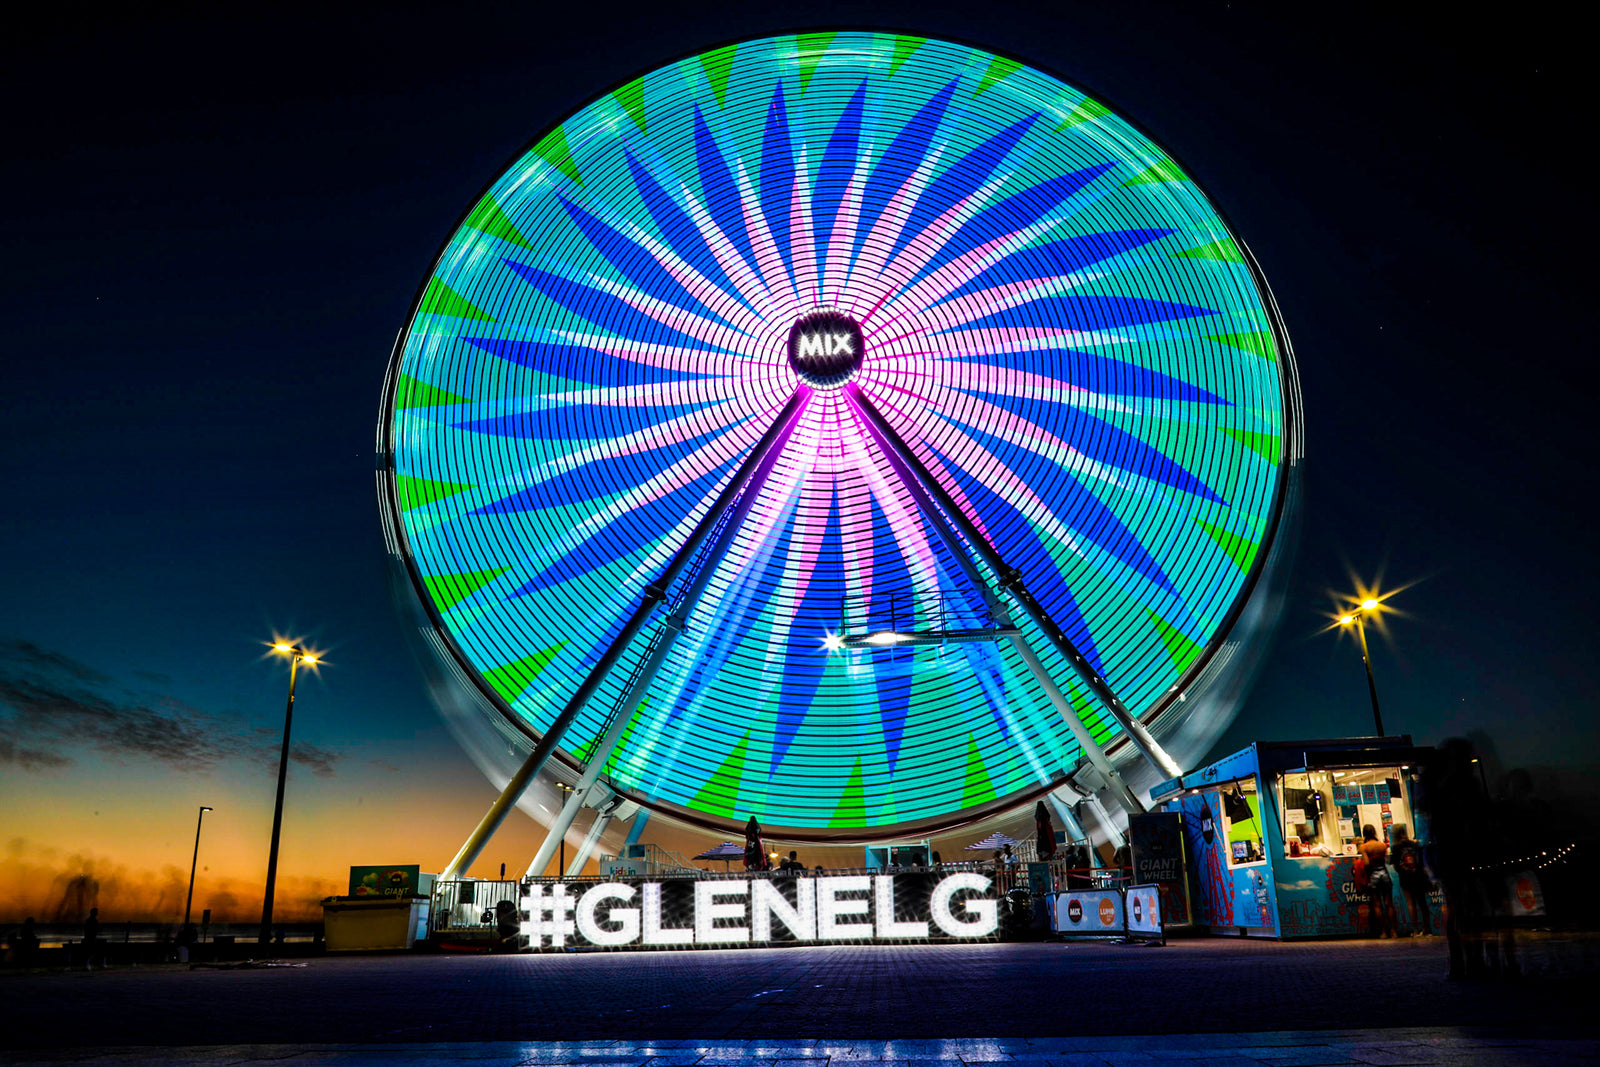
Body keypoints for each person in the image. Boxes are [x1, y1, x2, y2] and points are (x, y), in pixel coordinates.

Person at [1391, 825, 1431, 936]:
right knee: (1422, 903)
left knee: (1410, 903)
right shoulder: (1414, 844)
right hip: (1418, 875)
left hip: (1405, 877)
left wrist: (1403, 869)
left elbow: (1395, 864)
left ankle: (1415, 930)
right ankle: (1427, 929)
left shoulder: (1396, 847)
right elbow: (1421, 860)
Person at [1360, 825, 1397, 938]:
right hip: (1385, 874)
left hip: (1373, 875)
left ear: (1364, 833)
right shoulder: (1382, 845)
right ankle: (1393, 931)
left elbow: (1366, 863)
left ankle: (1383, 932)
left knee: (1377, 905)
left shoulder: (1364, 847)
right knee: (1389, 904)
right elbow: (1385, 859)